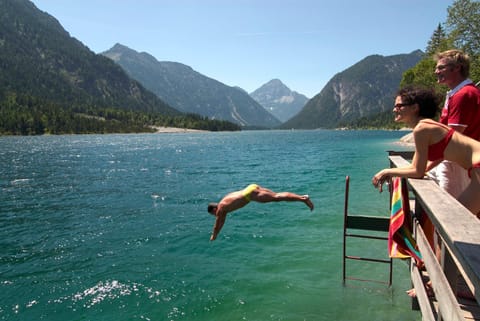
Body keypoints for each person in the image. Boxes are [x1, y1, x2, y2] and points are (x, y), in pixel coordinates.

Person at [372, 86, 480, 217]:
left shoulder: (422, 129)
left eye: (399, 105)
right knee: (461, 221)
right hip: (475, 169)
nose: (395, 109)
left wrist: (387, 171)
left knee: (458, 219)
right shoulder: (427, 126)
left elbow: (417, 172)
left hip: (477, 167)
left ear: (415, 108)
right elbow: (419, 167)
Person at [429, 49, 480, 198]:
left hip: (458, 164)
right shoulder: (462, 93)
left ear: (457, 67)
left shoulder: (463, 95)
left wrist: (424, 167)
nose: (436, 71)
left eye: (441, 67)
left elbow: (452, 140)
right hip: (457, 161)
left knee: (451, 211)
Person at [207, 184, 314, 241]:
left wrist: (214, 235)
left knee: (277, 197)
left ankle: (303, 198)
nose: (215, 216)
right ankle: (302, 198)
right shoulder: (223, 202)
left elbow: (218, 224)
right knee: (277, 196)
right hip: (251, 187)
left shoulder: (221, 208)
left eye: (214, 214)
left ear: (214, 210)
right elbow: (222, 222)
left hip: (250, 194)